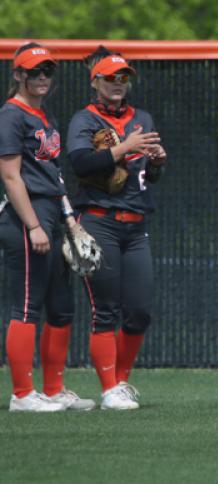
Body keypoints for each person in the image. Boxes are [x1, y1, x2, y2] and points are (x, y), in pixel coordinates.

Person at [66, 46, 166, 410]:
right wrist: (124, 148)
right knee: (105, 309)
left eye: (124, 77)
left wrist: (156, 163)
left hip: (136, 226)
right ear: (96, 82)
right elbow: (79, 162)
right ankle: (109, 387)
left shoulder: (143, 118)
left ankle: (120, 383)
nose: (118, 83)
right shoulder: (85, 119)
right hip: (99, 220)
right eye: (110, 77)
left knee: (139, 311)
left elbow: (149, 178)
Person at [0, 42, 96, 412]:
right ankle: (22, 395)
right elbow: (11, 176)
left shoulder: (44, 117)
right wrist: (34, 225)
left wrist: (69, 219)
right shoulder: (11, 114)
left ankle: (53, 389)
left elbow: (53, 175)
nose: (42, 78)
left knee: (61, 306)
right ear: (18, 75)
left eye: (47, 72)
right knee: (27, 306)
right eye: (34, 71)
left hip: (53, 215)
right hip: (27, 218)